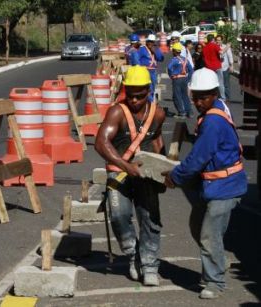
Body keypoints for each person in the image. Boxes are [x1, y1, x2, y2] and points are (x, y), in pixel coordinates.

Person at [162, 68, 247, 299]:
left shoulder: (212, 122)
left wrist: (175, 177)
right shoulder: (217, 109)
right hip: (214, 184)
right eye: (195, 97)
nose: (198, 102)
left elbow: (199, 157)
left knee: (209, 234)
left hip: (225, 186)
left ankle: (215, 282)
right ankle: (217, 260)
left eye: (204, 97)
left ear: (215, 94)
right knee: (198, 226)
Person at [95, 66, 166, 287]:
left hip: (146, 175)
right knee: (118, 216)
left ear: (148, 89)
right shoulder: (117, 112)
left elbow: (157, 141)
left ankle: (150, 265)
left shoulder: (158, 113)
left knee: (150, 219)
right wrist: (125, 165)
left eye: (140, 95)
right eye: (130, 94)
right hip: (120, 175)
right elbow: (101, 143)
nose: (134, 100)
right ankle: (133, 255)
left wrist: (164, 171)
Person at [168, 43, 194, 118]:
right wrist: (188, 78)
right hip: (184, 79)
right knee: (185, 95)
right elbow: (191, 70)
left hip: (177, 79)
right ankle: (189, 111)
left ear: (174, 51)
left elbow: (169, 68)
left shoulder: (174, 60)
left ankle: (181, 112)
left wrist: (171, 76)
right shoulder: (185, 60)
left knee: (177, 96)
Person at [137, 34, 164, 102]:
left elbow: (161, 58)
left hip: (153, 71)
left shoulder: (156, 49)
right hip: (145, 71)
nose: (150, 43)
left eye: (152, 42)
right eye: (149, 41)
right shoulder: (142, 49)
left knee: (153, 88)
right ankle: (150, 102)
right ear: (147, 42)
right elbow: (137, 60)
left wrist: (154, 51)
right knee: (148, 88)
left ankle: (150, 101)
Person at [202, 34, 226, 101]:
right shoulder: (215, 45)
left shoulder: (205, 48)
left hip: (209, 68)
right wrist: (227, 47)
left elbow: (204, 58)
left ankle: (212, 96)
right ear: (212, 39)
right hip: (217, 66)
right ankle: (223, 97)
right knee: (220, 82)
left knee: (211, 83)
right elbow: (221, 52)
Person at [216, 35, 234, 102]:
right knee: (218, 84)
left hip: (225, 68)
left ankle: (227, 98)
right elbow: (221, 53)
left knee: (226, 84)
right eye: (217, 40)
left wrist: (231, 65)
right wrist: (227, 46)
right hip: (217, 68)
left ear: (222, 40)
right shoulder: (215, 47)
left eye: (219, 40)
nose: (218, 41)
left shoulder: (225, 47)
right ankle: (220, 97)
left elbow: (230, 56)